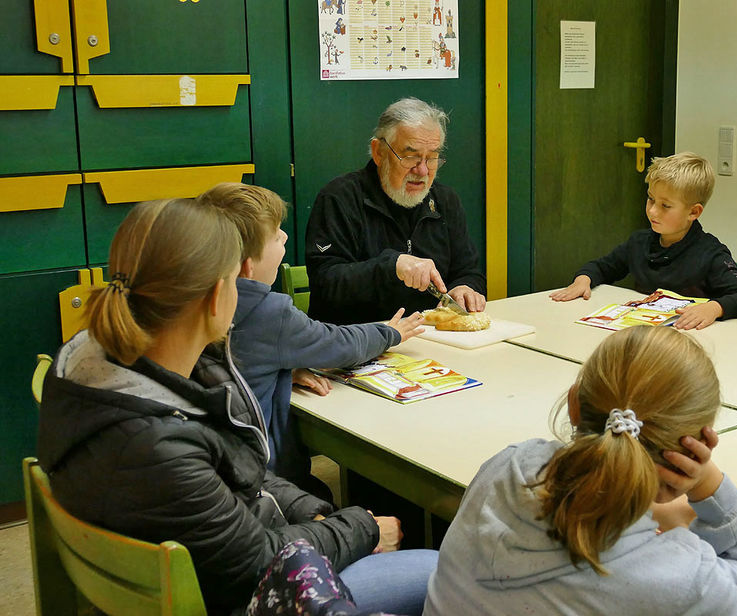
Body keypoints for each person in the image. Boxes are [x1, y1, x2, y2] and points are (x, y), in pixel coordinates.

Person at [36, 198, 437, 616]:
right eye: (234, 282)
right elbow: (255, 563)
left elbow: (240, 472)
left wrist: (317, 515)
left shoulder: (102, 360)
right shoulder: (158, 445)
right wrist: (361, 528)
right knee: (441, 568)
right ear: (215, 297)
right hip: (236, 595)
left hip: (218, 553)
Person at [424, 326, 737, 616]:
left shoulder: (508, 464)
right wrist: (708, 486)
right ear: (691, 450)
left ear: (574, 404)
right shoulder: (677, 578)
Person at [198, 182, 424, 494]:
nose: (285, 237)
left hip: (219, 470)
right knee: (321, 496)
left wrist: (283, 369)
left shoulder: (196, 300)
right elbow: (338, 344)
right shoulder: (268, 312)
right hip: (266, 476)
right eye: (276, 234)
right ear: (249, 266)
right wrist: (390, 332)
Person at [305, 97, 486, 325]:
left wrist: (466, 287)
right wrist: (391, 266)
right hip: (357, 342)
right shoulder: (339, 198)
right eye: (410, 156)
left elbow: (468, 270)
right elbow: (326, 283)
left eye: (431, 158)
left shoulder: (445, 200)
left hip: (430, 339)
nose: (421, 170)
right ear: (379, 152)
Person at [550, 152, 737, 330]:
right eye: (650, 199)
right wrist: (583, 280)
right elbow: (603, 267)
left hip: (688, 341)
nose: (653, 211)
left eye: (665, 205)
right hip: (642, 333)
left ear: (693, 212)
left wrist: (714, 308)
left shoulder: (710, 253)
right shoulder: (640, 242)